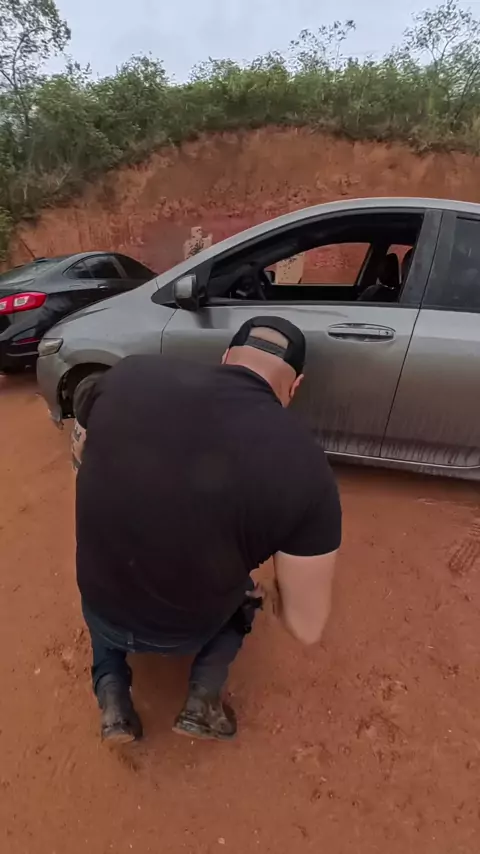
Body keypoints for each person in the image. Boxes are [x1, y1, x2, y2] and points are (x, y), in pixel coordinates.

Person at [72, 316, 342, 744]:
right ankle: (203, 697)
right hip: (189, 628)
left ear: (225, 357)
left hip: (104, 606)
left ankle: (112, 696)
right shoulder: (308, 468)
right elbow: (306, 627)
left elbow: (81, 455)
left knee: (103, 584)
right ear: (295, 386)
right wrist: (274, 593)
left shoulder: (127, 374)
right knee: (247, 597)